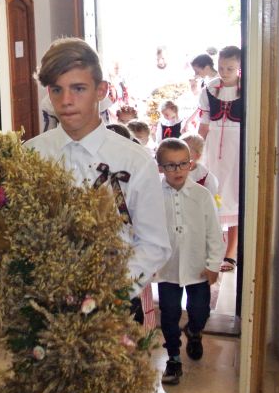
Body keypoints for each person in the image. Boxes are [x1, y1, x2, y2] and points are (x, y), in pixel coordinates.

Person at [25, 38, 171, 318]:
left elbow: (154, 245)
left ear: (101, 90)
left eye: (78, 88)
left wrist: (106, 292)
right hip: (44, 302)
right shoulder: (30, 154)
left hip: (114, 302)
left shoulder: (134, 161)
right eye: (57, 89)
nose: (66, 101)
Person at [154, 139, 225, 385]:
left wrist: (214, 264)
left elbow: (214, 232)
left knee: (200, 311)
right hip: (168, 268)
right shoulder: (153, 196)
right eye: (170, 165)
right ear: (160, 167)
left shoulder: (202, 195)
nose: (178, 170)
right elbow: (148, 230)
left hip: (197, 267)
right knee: (169, 313)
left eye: (182, 164)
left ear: (191, 165)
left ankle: (194, 331)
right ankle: (173, 357)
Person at [198, 46, 242, 272]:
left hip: (237, 150)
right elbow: (204, 124)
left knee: (234, 197)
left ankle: (231, 253)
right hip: (213, 148)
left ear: (239, 67)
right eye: (222, 67)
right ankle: (211, 250)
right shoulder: (209, 89)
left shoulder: (247, 89)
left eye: (230, 68)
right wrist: (196, 150)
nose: (224, 72)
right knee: (212, 194)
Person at [182, 133, 220, 206]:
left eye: (186, 150)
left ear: (197, 156)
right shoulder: (174, 171)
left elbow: (212, 199)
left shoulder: (205, 177)